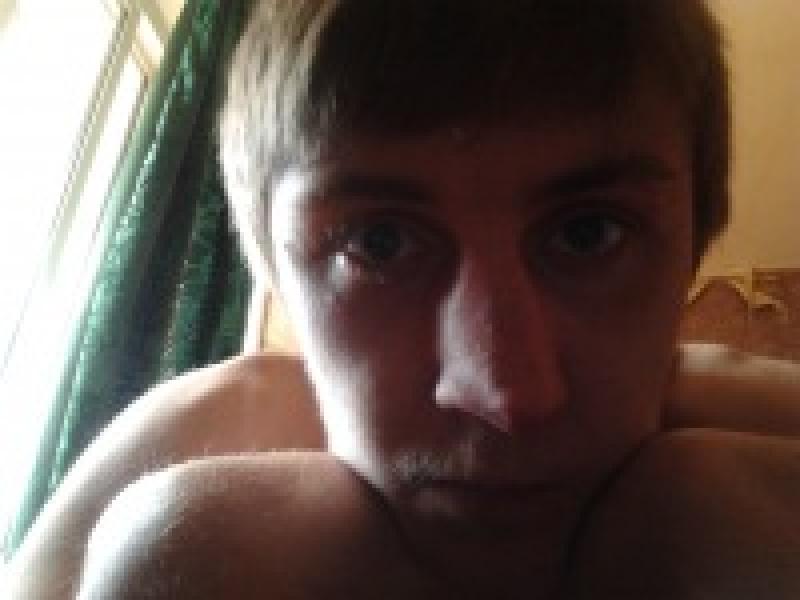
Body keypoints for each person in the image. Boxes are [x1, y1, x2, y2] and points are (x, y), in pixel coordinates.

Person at [7, 1, 800, 598]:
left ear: (693, 250)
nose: (504, 395)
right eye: (379, 244)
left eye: (588, 234)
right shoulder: (190, 437)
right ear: (276, 276)